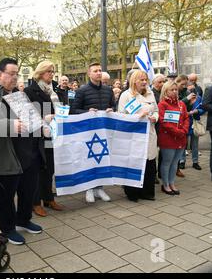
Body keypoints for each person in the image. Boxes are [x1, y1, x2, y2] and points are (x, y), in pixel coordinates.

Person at [0, 58, 43, 245]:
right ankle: (8, 228)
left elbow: (31, 119)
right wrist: (10, 125)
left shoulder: (18, 95)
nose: (15, 77)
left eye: (16, 74)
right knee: (6, 196)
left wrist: (43, 120)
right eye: (11, 74)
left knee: (28, 190)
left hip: (26, 152)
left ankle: (24, 220)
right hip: (3, 155)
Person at [24, 61, 66, 217]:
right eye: (49, 71)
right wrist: (44, 118)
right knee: (37, 169)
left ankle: (48, 198)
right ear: (40, 73)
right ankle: (36, 202)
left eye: (53, 71)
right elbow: (28, 115)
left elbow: (60, 108)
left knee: (50, 167)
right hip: (37, 136)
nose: (52, 74)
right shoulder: (30, 91)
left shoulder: (53, 91)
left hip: (51, 134)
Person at [71, 62, 115, 203]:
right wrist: (87, 112)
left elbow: (113, 106)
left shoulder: (108, 90)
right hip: (88, 131)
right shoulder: (82, 91)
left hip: (104, 131)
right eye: (95, 71)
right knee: (89, 159)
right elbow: (73, 110)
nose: (98, 73)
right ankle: (89, 188)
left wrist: (111, 110)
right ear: (89, 74)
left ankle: (99, 188)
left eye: (100, 70)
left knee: (102, 158)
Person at [118, 70, 158, 202]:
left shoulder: (151, 94)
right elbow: (121, 115)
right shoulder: (126, 95)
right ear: (134, 81)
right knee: (134, 163)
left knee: (149, 163)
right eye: (141, 80)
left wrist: (155, 118)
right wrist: (137, 116)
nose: (145, 82)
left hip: (149, 133)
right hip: (134, 135)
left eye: (145, 79)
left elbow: (156, 111)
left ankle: (147, 192)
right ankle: (132, 192)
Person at [157, 81, 189, 196]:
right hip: (168, 138)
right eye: (172, 90)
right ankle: (165, 184)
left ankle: (172, 183)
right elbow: (163, 122)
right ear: (166, 91)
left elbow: (186, 118)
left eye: (176, 89)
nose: (175, 91)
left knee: (175, 162)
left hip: (181, 137)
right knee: (167, 162)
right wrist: (177, 132)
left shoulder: (181, 104)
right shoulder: (162, 105)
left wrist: (184, 131)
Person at [182, 81, 205, 171]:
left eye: (192, 86)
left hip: (195, 122)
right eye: (188, 86)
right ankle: (182, 161)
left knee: (195, 144)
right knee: (183, 143)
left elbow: (203, 109)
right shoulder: (184, 98)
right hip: (185, 122)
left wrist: (197, 111)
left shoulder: (199, 98)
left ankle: (195, 162)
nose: (190, 88)